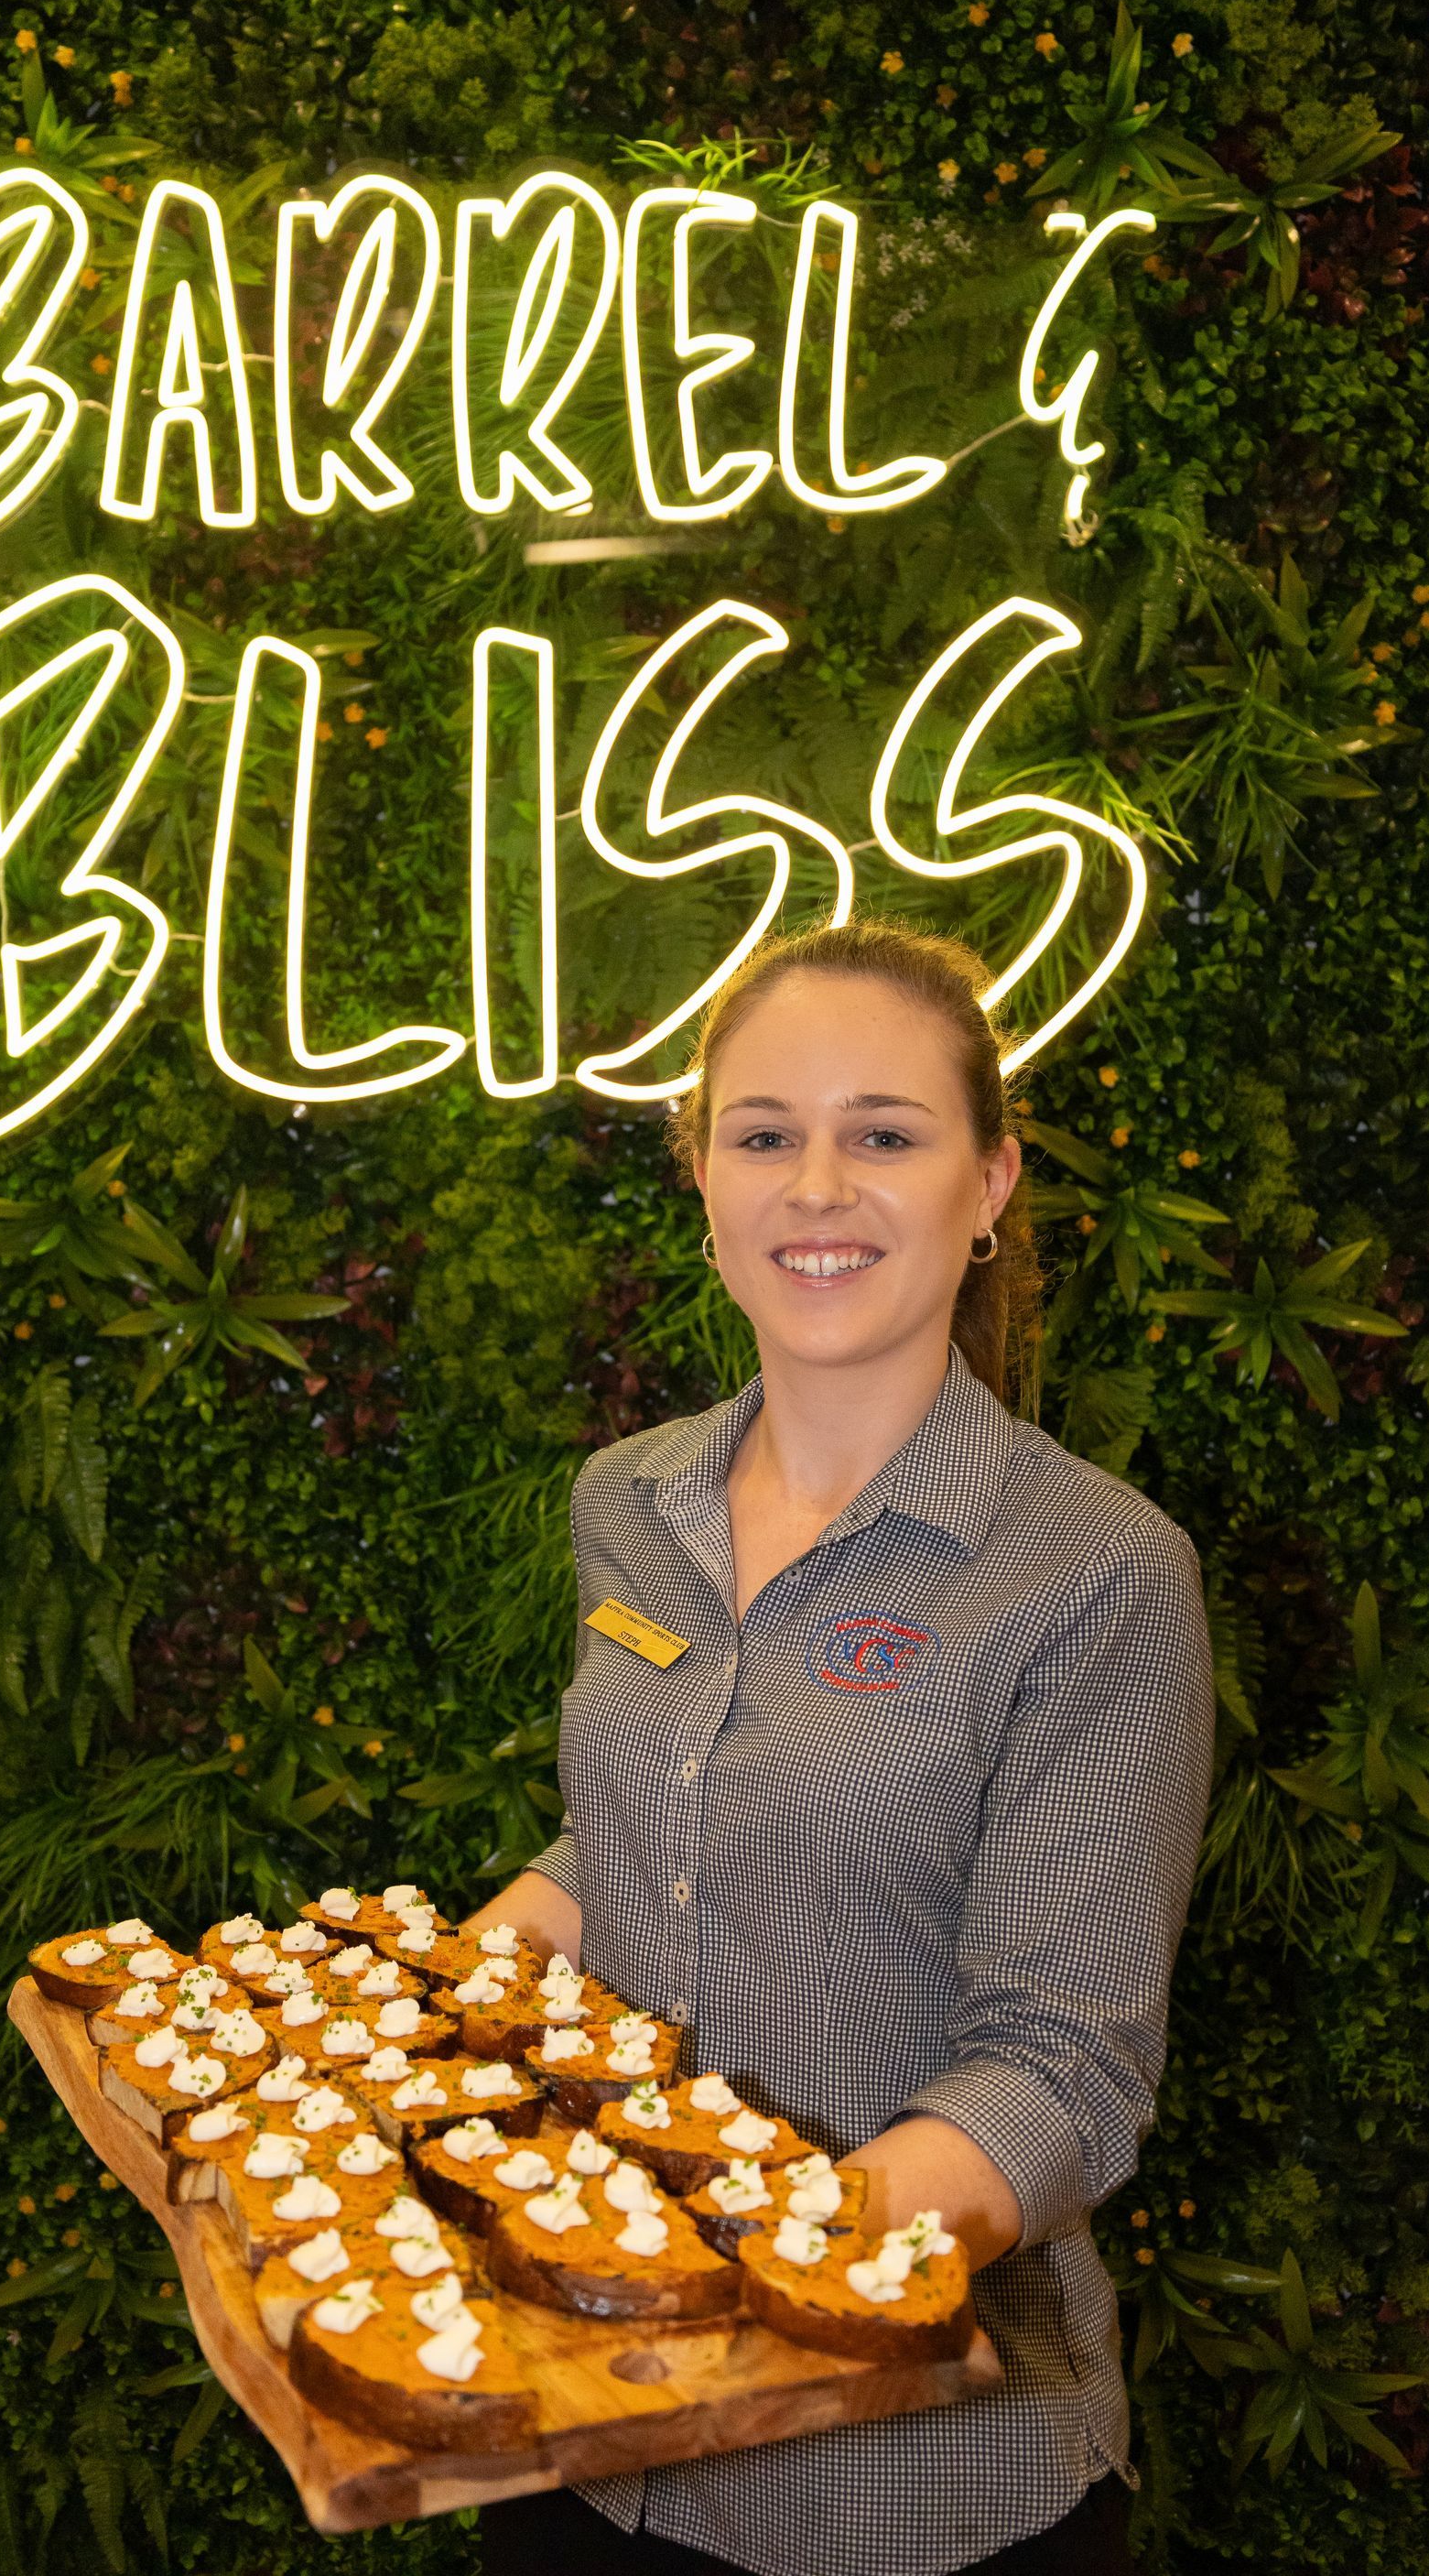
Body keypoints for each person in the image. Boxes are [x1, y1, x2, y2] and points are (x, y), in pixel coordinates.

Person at [473, 920, 1215, 2576]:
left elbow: (1061, 2071)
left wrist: (750, 2267)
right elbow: (654, 1821)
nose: (818, 1184)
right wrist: (445, 1989)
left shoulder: (1095, 1574)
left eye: (884, 1134)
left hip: (904, 2492)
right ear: (707, 1185)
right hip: (586, 2433)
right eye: (764, 1135)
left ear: (990, 1184)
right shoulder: (631, 1498)